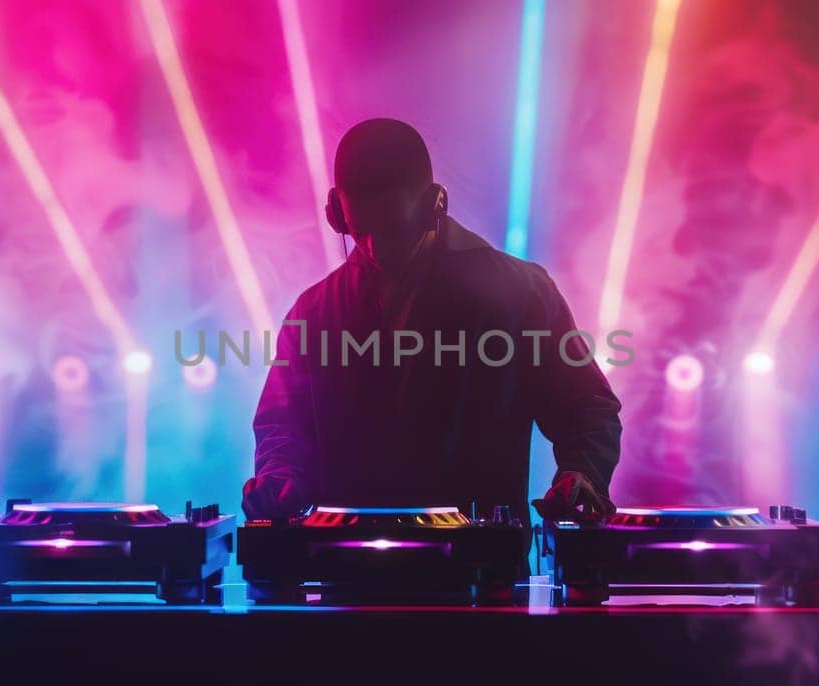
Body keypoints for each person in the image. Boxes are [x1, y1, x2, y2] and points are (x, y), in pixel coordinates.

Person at [242, 118, 622, 523]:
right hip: (352, 567)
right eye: (360, 230)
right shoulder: (312, 312)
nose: (374, 248)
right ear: (338, 212)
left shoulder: (520, 294)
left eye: (390, 230)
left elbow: (587, 408)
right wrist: (278, 476)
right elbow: (282, 425)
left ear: (432, 206)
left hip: (475, 571)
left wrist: (582, 474)